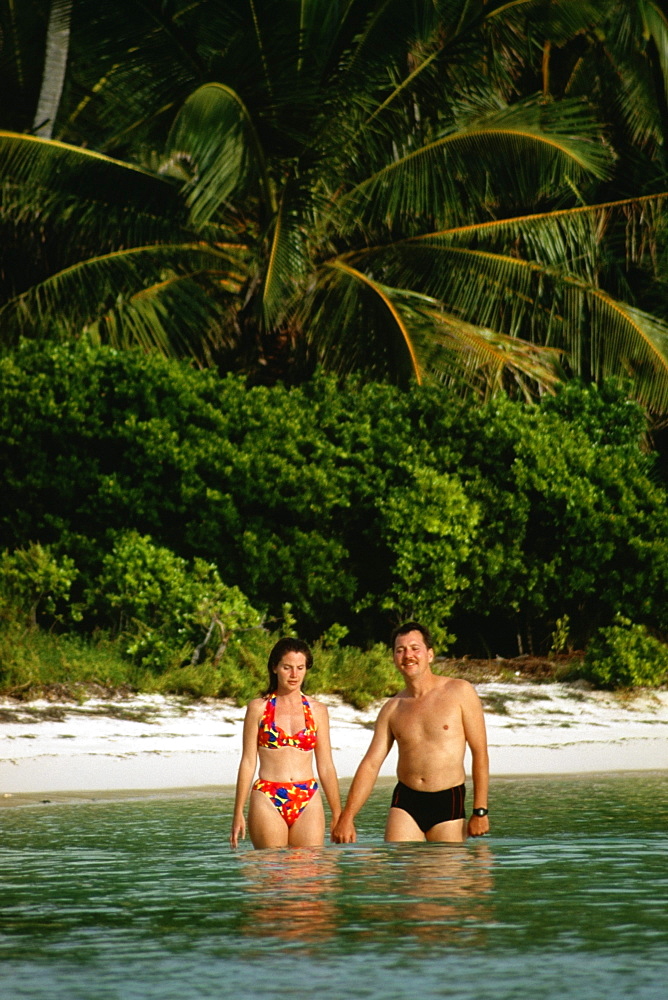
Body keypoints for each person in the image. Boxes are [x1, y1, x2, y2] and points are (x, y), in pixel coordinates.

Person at [332, 622, 489, 844]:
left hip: (448, 800)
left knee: (447, 878)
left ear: (430, 654)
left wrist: (480, 811)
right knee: (402, 874)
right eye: (400, 650)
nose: (408, 655)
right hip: (405, 802)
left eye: (415, 648)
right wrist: (347, 817)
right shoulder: (392, 708)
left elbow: (480, 752)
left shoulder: (459, 692)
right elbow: (370, 764)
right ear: (394, 658)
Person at [230, 636, 341, 849]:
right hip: (267, 795)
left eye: (300, 668)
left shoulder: (318, 711)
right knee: (273, 875)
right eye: (287, 667)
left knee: (309, 876)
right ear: (274, 668)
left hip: (307, 795)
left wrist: (338, 814)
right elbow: (247, 762)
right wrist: (238, 813)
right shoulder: (258, 708)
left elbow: (326, 765)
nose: (294, 675)